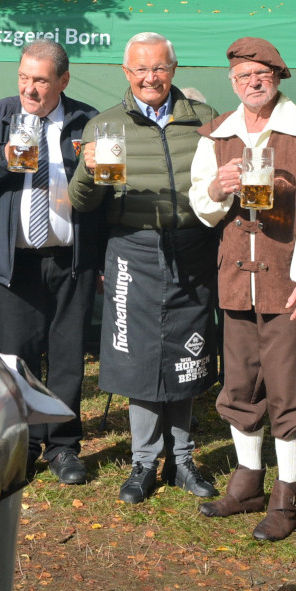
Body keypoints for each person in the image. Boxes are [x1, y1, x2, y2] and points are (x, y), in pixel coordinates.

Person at [189, 37, 296, 540]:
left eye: (262, 74)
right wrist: (217, 188)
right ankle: (247, 482)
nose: (252, 82)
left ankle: (287, 495)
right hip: (237, 281)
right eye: (242, 76)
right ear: (232, 83)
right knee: (240, 386)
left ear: (278, 76)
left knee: (289, 391)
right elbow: (202, 203)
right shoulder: (217, 134)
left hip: (291, 283)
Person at [67, 32, 219, 504]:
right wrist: (88, 172)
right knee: (135, 355)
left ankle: (183, 459)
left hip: (193, 247)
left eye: (159, 68)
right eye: (140, 69)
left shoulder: (206, 120)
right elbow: (81, 202)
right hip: (132, 249)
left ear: (174, 70)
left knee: (186, 351)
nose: (150, 78)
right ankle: (143, 461)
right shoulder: (104, 125)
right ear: (126, 73)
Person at [0, 41, 101, 485]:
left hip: (70, 259)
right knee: (17, 359)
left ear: (63, 80)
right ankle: (22, 444)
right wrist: (4, 159)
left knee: (66, 358)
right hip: (15, 261)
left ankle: (62, 447)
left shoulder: (87, 121)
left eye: (40, 80)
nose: (30, 88)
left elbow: (105, 196)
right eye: (24, 77)